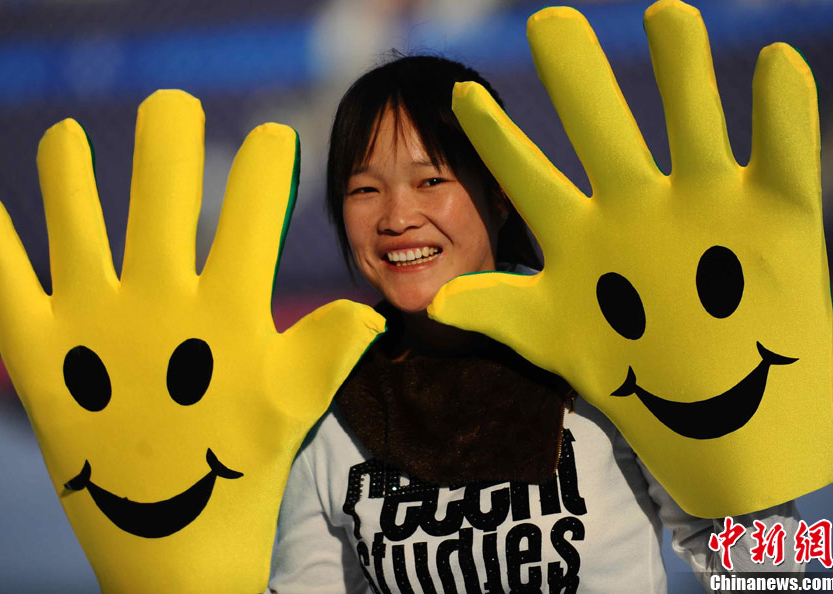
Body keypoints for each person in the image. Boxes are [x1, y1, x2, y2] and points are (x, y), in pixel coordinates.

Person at [267, 54, 801, 594]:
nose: (397, 218)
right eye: (364, 189)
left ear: (500, 191)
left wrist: (739, 456)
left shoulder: (608, 345)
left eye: (430, 179)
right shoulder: (331, 400)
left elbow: (765, 574)